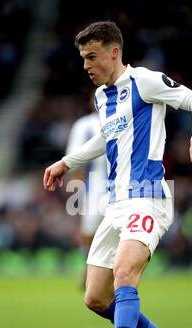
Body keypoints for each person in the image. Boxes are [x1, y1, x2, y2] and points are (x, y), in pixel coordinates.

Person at [43, 21, 192, 328]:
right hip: (115, 203)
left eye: (92, 56)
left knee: (124, 273)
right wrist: (66, 162)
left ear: (114, 52)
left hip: (149, 197)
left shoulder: (146, 82)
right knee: (94, 297)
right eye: (82, 58)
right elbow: (105, 138)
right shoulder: (101, 98)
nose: (86, 65)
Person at [65, 90, 108, 288]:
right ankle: (90, 268)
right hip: (96, 184)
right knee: (89, 230)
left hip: (124, 184)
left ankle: (110, 272)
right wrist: (78, 192)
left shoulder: (123, 119)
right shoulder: (84, 125)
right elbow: (75, 160)